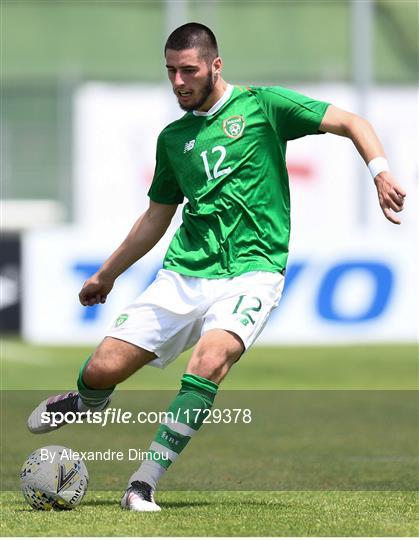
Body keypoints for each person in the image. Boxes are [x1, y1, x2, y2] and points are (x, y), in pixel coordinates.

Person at [27, 22, 406, 512]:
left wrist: (380, 173)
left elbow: (353, 121)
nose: (179, 82)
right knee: (102, 369)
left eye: (188, 70)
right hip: (185, 272)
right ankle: (84, 402)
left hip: (254, 270)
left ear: (215, 66)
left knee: (208, 362)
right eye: (171, 72)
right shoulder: (173, 138)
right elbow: (156, 217)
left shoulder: (264, 106)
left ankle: (142, 483)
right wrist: (108, 273)